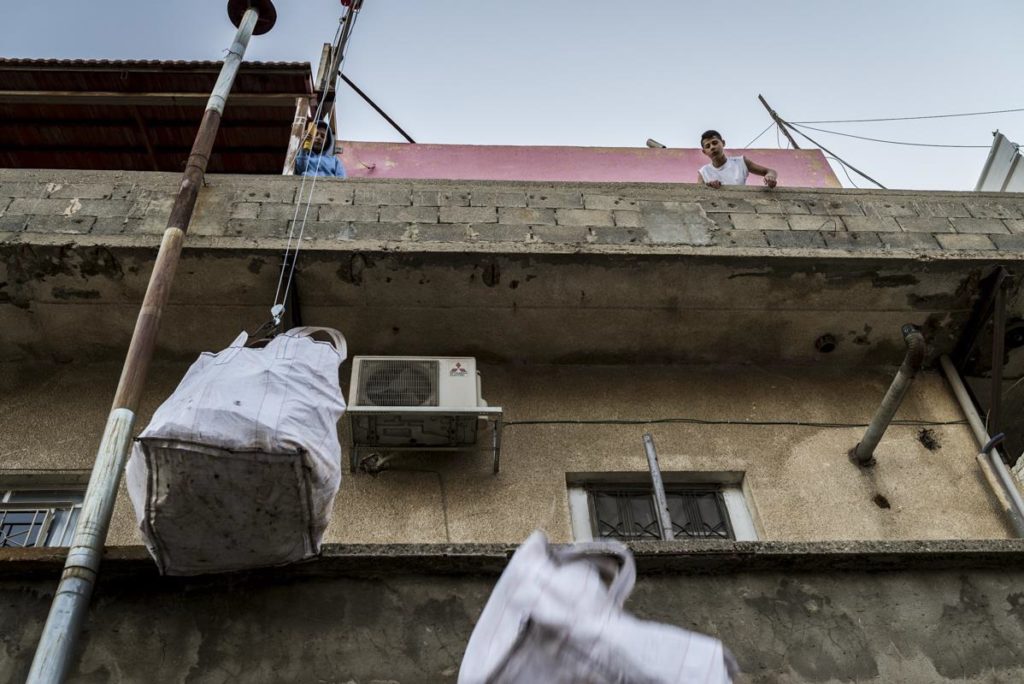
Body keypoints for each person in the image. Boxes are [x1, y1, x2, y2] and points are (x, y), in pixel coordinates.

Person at [698, 130, 777, 189]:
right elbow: (699, 195)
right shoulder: (703, 172)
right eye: (708, 146)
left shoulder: (741, 162)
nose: (712, 147)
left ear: (723, 143)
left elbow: (771, 171)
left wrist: (770, 177)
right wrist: (710, 188)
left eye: (715, 143)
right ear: (704, 152)